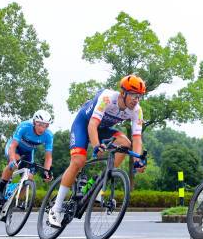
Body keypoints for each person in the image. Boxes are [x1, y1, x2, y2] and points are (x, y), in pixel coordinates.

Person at [48, 74, 147, 227]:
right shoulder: (107, 98)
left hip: (102, 129)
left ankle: (100, 184)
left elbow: (137, 138)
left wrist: (138, 160)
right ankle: (56, 208)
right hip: (84, 124)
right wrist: (96, 145)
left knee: (125, 144)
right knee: (78, 161)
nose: (136, 100)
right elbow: (92, 125)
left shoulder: (137, 110)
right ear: (123, 93)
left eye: (139, 96)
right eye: (133, 95)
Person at [0, 110, 54, 205]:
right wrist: (12, 159)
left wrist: (47, 172)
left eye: (45, 125)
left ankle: (14, 200)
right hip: (14, 148)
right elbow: (13, 146)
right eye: (40, 124)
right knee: (14, 163)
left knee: (29, 177)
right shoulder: (25, 126)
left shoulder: (48, 135)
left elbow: (48, 158)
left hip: (28, 153)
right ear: (34, 122)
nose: (42, 128)